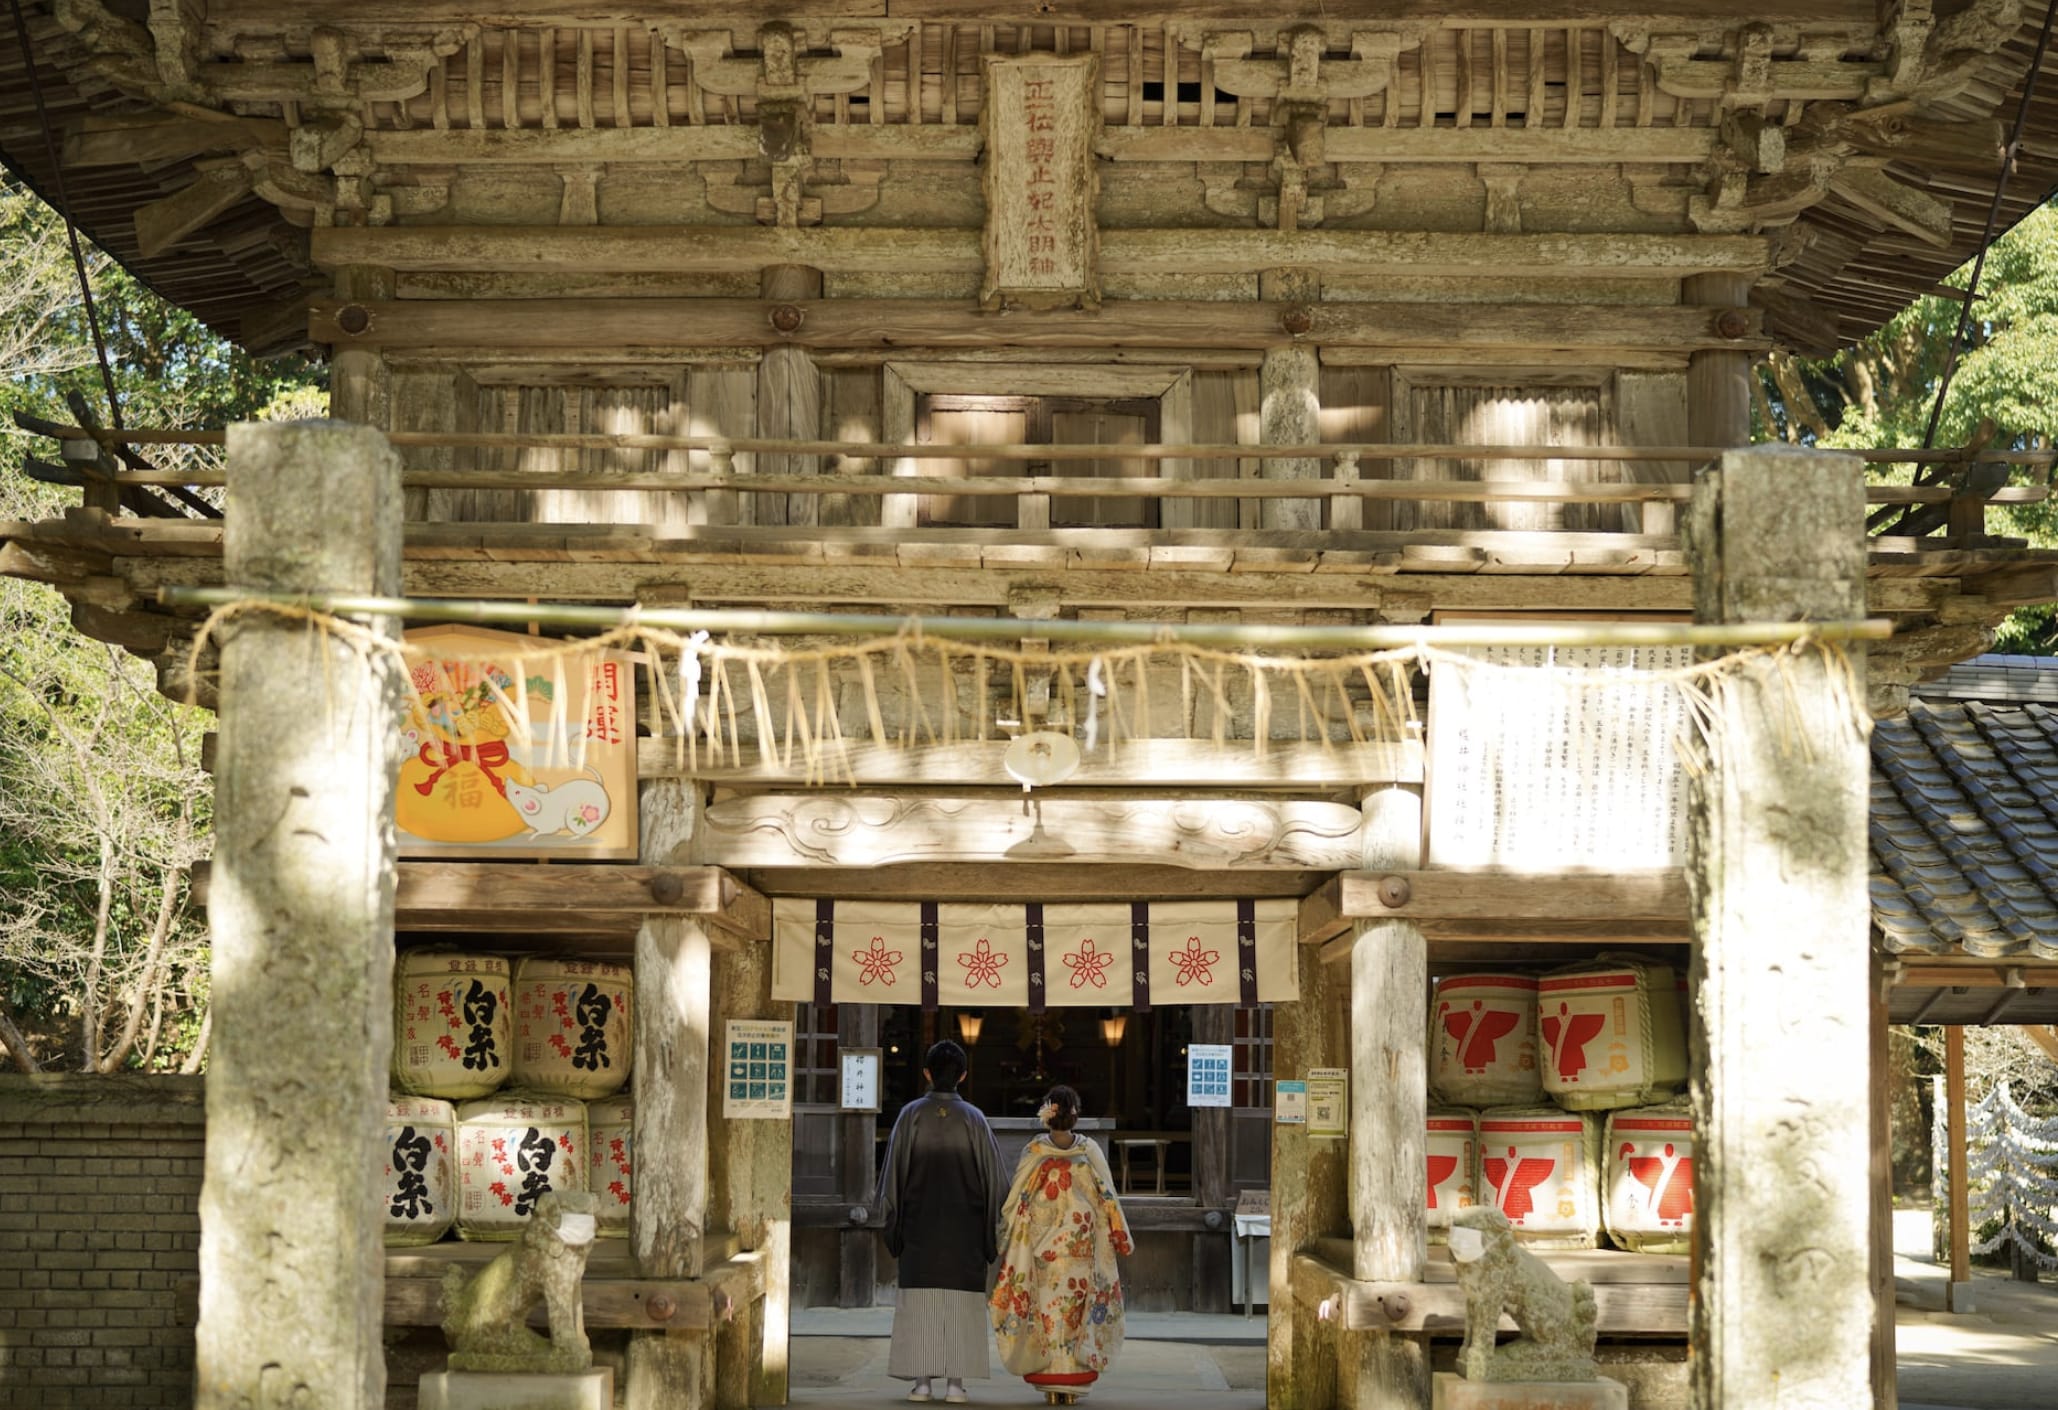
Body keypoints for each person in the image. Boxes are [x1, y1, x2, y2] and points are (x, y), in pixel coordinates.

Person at [878, 1039, 1005, 1404]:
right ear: (962, 1075)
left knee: (921, 1305)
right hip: (965, 1231)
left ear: (927, 1074)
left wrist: (893, 1224)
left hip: (920, 1228)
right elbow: (996, 1182)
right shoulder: (975, 1119)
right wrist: (992, 1233)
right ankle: (955, 1385)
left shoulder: (910, 1115)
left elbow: (892, 1178)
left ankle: (921, 1384)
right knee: (961, 1306)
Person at [989, 1085, 1133, 1387]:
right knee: (1076, 1309)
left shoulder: (1035, 1151)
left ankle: (1050, 1371)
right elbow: (1109, 1196)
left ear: (1047, 1115)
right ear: (1075, 1115)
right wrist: (1119, 1235)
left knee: (1048, 1309)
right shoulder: (1089, 1151)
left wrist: (1005, 1233)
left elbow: (1016, 1198)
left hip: (1043, 1248)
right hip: (1082, 1245)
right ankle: (1072, 1373)